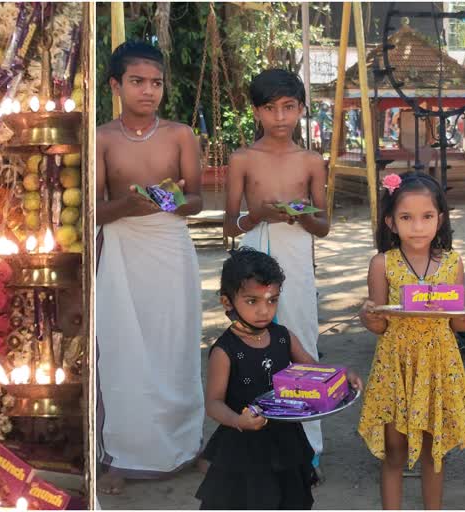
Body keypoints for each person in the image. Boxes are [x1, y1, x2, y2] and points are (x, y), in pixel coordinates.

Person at [96, 40, 204, 495]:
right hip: (120, 251)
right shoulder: (100, 137)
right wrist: (127, 204)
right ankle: (122, 455)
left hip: (170, 248)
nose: (149, 91)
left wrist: (168, 199)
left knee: (175, 349)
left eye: (156, 82)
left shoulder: (181, 134)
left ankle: (185, 448)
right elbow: (96, 213)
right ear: (115, 85)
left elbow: (195, 202)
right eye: (138, 82)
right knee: (122, 354)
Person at [196, 248, 362, 509]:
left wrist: (342, 373)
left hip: (286, 440)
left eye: (272, 300)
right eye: (252, 301)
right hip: (244, 446)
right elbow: (213, 403)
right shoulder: (224, 351)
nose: (264, 310)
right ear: (228, 302)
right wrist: (238, 420)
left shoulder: (283, 336)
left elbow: (313, 368)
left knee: (290, 499)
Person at [223, 68, 329, 477]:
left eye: (288, 107)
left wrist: (300, 216)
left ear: (301, 109)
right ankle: (255, 442)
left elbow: (324, 225)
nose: (280, 117)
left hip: (298, 259)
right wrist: (259, 216)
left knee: (300, 340)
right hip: (253, 260)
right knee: (252, 347)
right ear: (257, 112)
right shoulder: (243, 160)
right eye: (270, 108)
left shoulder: (311, 161)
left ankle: (309, 449)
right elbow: (230, 226)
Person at [358, 172, 465, 510]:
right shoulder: (382, 264)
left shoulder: (453, 263)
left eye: (427, 216)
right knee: (394, 450)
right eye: (406, 217)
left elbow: (457, 324)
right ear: (391, 222)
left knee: (432, 451)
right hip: (396, 366)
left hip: (438, 366)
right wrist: (370, 316)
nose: (418, 226)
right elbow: (379, 324)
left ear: (440, 219)